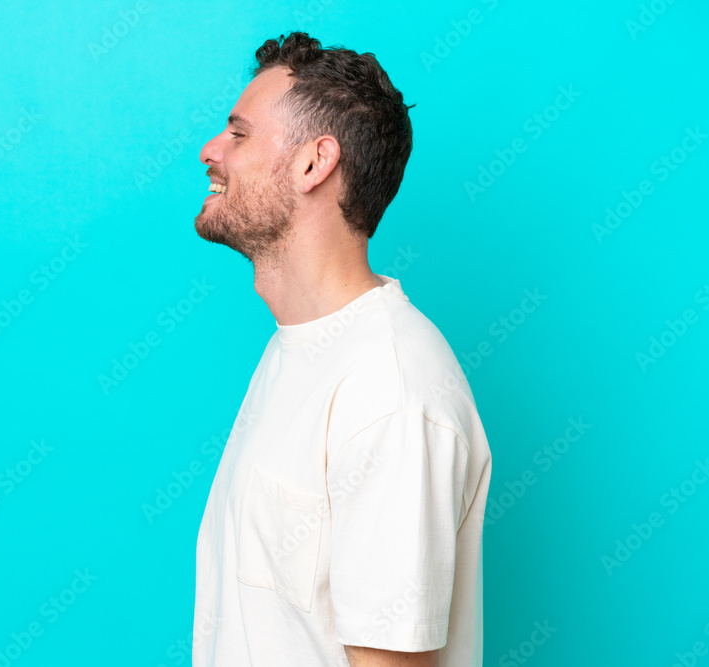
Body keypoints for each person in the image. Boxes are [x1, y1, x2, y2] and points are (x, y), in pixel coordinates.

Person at [192, 31, 492, 667]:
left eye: (239, 134)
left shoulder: (391, 388)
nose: (210, 152)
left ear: (313, 164)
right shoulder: (299, 348)